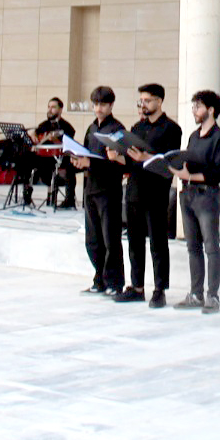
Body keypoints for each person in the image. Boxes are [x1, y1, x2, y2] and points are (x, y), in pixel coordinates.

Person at [170, 90, 220, 314]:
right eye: (193, 107)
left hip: (207, 195)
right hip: (188, 193)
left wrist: (188, 176)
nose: (194, 111)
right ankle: (195, 292)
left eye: (198, 107)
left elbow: (218, 172)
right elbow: (190, 163)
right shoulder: (193, 136)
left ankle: (213, 295)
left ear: (210, 110)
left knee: (211, 246)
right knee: (193, 247)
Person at [112, 83, 182, 307]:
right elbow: (131, 159)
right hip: (134, 190)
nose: (144, 105)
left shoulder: (171, 129)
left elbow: (170, 163)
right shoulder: (137, 127)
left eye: (148, 100)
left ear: (160, 101)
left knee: (158, 243)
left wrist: (146, 158)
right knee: (134, 241)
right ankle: (137, 286)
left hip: (156, 191)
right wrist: (118, 157)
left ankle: (160, 289)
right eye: (142, 100)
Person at [71, 86, 127, 295]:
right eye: (95, 104)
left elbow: (120, 163)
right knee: (92, 239)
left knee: (110, 238)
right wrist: (79, 161)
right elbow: (87, 154)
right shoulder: (91, 128)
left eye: (102, 104)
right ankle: (99, 279)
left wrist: (91, 163)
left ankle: (114, 282)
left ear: (111, 105)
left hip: (109, 189)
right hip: (91, 188)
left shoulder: (117, 129)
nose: (98, 108)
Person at [28, 97, 77, 208]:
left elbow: (68, 146)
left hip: (59, 158)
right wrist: (33, 135)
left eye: (53, 107)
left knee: (70, 166)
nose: (50, 110)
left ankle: (69, 200)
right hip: (43, 158)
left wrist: (55, 140)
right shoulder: (43, 125)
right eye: (49, 107)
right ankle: (26, 195)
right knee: (26, 158)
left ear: (60, 110)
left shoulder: (67, 127)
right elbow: (34, 133)